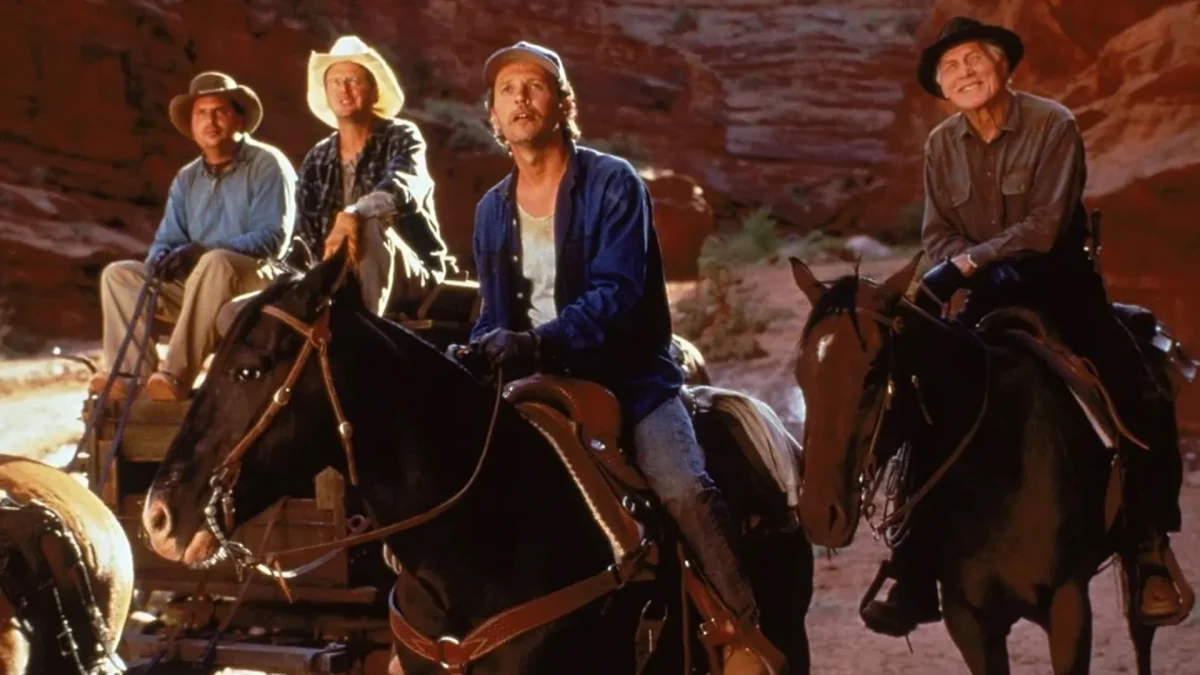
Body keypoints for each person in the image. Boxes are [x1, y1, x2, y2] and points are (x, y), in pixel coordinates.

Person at [450, 41, 780, 673]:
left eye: (534, 86)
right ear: (493, 115)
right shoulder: (492, 208)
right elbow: (494, 309)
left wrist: (539, 341)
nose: (520, 99)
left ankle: (741, 630)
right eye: (506, 91)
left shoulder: (612, 182)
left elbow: (619, 293)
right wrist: (480, 345)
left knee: (683, 488)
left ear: (562, 103)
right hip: (533, 383)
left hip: (626, 380)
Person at [860, 16, 1187, 636]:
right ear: (941, 87)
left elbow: (1044, 225)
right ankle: (913, 561)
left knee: (1140, 393)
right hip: (982, 294)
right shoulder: (940, 145)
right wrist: (964, 267)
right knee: (924, 399)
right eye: (950, 67)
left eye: (974, 59)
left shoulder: (1053, 123)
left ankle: (1149, 549)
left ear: (1003, 65)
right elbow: (936, 233)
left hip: (1060, 285)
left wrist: (968, 262)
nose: (964, 73)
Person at [92, 72, 296, 401]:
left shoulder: (267, 164)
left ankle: (175, 376)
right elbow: (167, 238)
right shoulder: (187, 178)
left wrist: (203, 250)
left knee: (215, 261)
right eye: (201, 113)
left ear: (239, 118)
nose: (209, 121)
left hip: (256, 284)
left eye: (219, 111)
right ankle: (130, 376)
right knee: (120, 275)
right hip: (198, 287)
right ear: (191, 124)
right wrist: (160, 260)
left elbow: (272, 238)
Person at [292, 35, 450, 316]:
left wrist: (353, 214)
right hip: (334, 280)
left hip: (410, 272)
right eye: (335, 82)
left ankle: (361, 331)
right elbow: (304, 235)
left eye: (354, 80)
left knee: (370, 225)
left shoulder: (402, 135)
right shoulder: (317, 158)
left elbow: (402, 188)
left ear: (375, 92)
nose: (344, 89)